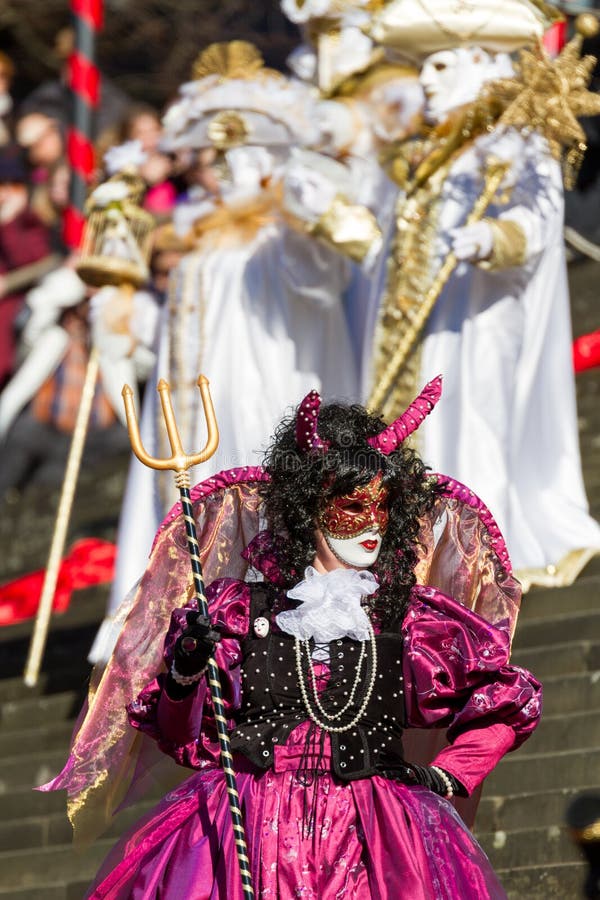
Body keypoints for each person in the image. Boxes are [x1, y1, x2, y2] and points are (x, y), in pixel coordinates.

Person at [43, 379, 541, 898]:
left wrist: (446, 776)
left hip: (378, 839)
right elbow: (178, 734)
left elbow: (505, 704)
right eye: (352, 505)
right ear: (307, 509)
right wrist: (187, 670)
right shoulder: (237, 614)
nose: (372, 523)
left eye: (383, 505)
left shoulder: (412, 623)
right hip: (244, 834)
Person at [88, 40, 382, 663]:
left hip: (263, 396)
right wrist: (120, 312)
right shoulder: (193, 242)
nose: (214, 167)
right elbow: (178, 330)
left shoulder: (280, 232)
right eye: (211, 154)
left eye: (230, 153)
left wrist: (303, 205)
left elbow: (321, 281)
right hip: (191, 417)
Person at [364, 3, 600, 588]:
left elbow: (538, 220)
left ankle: (472, 557)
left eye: (441, 67)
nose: (425, 80)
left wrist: (495, 236)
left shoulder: (518, 138)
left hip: (479, 322)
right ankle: (414, 558)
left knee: (471, 427)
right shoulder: (430, 151)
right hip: (421, 328)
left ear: (479, 62)